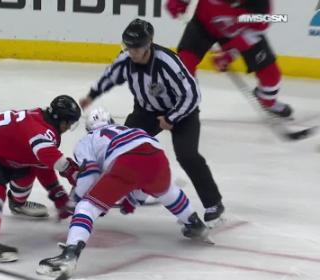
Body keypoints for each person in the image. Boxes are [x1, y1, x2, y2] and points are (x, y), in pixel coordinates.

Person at [79, 18, 224, 226]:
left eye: (136, 48)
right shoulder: (126, 57)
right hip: (145, 112)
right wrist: (92, 95)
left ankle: (213, 203)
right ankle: (128, 192)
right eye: (127, 47)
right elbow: (110, 76)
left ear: (148, 45)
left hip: (182, 113)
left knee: (187, 155)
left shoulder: (167, 62)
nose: (131, 52)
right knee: (121, 149)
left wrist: (171, 117)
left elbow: (192, 94)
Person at [36, 107, 210, 277]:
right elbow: (143, 175)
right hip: (157, 157)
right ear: (111, 121)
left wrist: (77, 200)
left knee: (86, 208)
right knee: (166, 190)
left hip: (126, 162)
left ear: (89, 129)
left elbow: (89, 173)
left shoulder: (87, 140)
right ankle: (194, 223)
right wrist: (135, 199)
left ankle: (69, 255)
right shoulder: (130, 129)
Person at [0, 95, 81, 263]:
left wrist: (57, 193)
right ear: (63, 121)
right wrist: (69, 169)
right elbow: (47, 155)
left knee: (26, 170)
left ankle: (17, 203)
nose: (68, 127)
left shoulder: (40, 118)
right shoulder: (44, 131)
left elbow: (40, 162)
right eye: (70, 123)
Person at [166, 0, 292, 118]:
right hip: (203, 24)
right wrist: (178, 2)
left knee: (271, 76)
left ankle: (267, 100)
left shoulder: (261, 5)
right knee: (185, 64)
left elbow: (255, 32)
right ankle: (186, 103)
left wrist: (229, 54)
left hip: (239, 32)